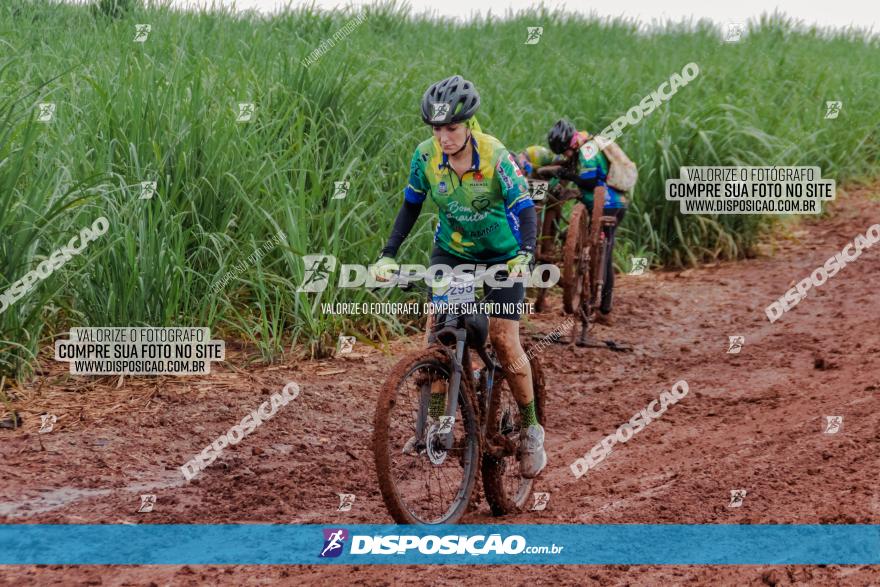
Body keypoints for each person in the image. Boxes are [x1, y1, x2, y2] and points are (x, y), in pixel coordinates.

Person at [370, 75, 546, 479]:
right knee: (439, 340)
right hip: (452, 252)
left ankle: (532, 426)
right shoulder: (424, 157)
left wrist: (526, 254)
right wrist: (387, 255)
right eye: (436, 129)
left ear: (468, 124)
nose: (443, 137)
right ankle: (438, 421)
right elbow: (410, 206)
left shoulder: (495, 155)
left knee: (503, 338)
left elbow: (525, 208)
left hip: (504, 254)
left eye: (451, 128)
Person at [546, 118, 628, 324]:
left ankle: (605, 309)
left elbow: (591, 180)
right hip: (599, 204)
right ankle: (589, 299)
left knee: (604, 253)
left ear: (571, 143)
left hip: (610, 204)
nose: (565, 155)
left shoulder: (588, 149)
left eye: (565, 150)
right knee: (596, 252)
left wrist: (570, 176)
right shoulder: (579, 148)